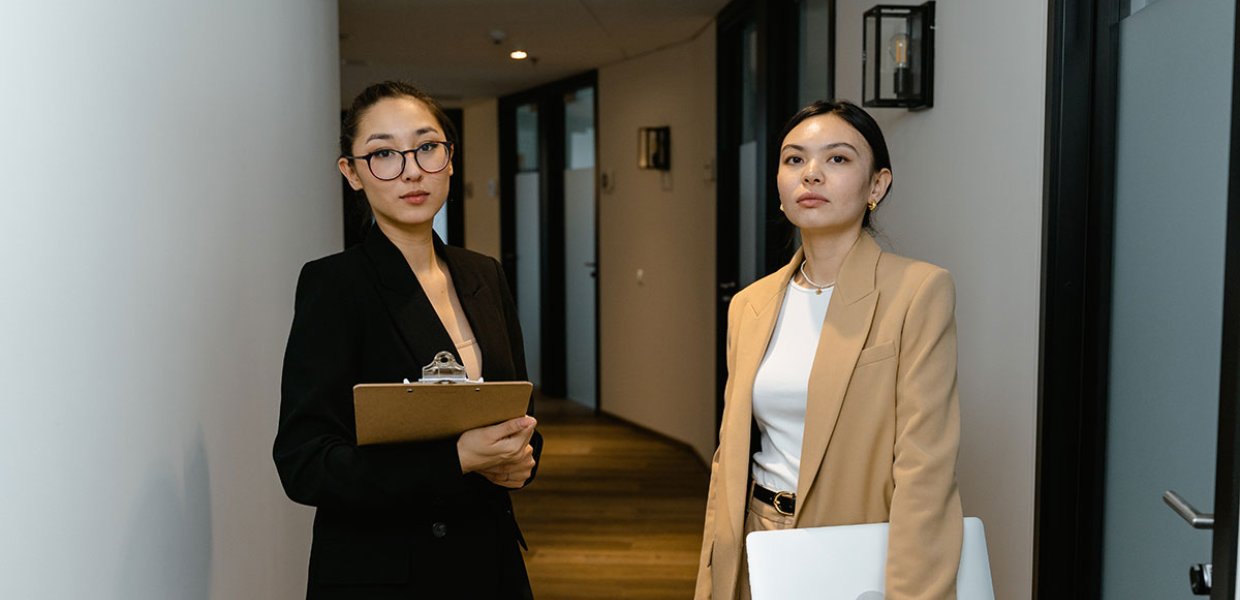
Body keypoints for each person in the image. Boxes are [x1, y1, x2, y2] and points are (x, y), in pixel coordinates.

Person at [274, 81, 541, 600]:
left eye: (426, 147)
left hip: (487, 559)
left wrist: (523, 459)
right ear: (351, 174)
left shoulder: (483, 274)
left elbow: (515, 404)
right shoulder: (335, 285)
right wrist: (455, 460)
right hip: (386, 571)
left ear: (450, 159)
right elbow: (305, 464)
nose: (411, 169)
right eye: (382, 155)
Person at [695, 100, 963, 600]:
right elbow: (726, 458)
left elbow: (925, 470)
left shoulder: (918, 291)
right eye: (794, 159)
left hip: (856, 550)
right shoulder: (750, 305)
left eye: (837, 159)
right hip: (757, 543)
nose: (811, 174)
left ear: (876, 186)